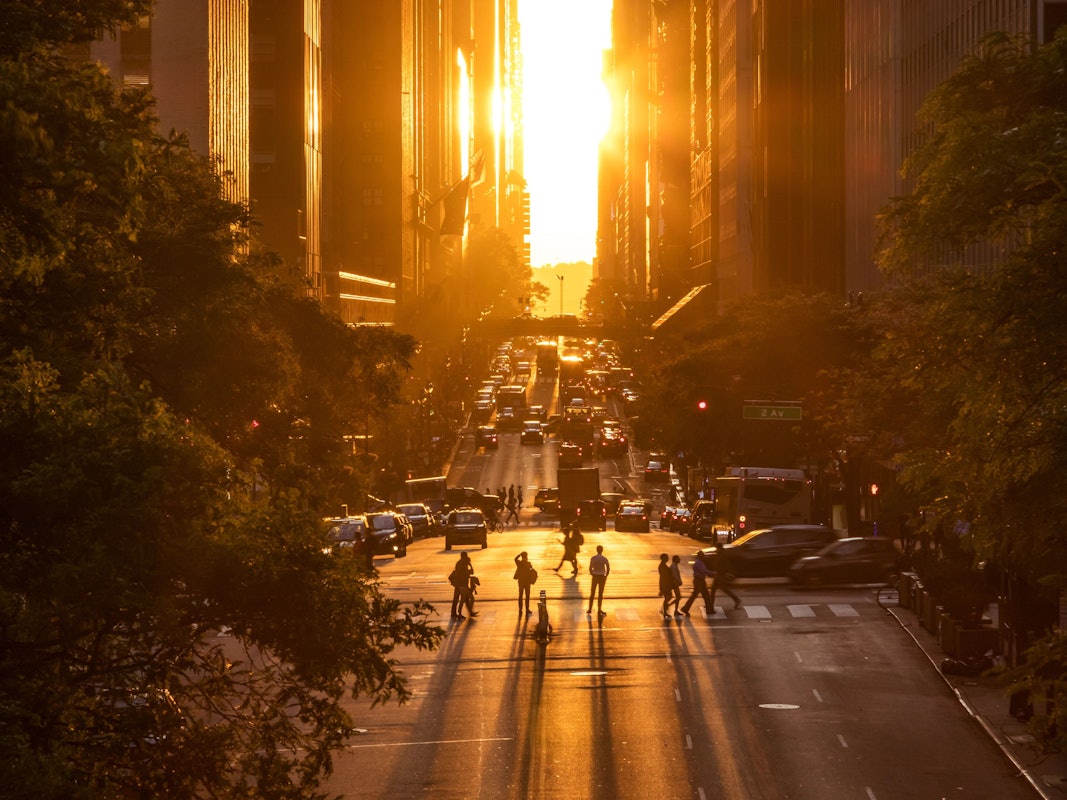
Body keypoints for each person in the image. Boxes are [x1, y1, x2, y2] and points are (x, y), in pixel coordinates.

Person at [709, 543, 741, 610]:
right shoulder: (720, 554)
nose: (716, 550)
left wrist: (724, 572)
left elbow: (726, 565)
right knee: (714, 589)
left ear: (719, 548)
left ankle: (736, 600)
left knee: (723, 589)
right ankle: (710, 604)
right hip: (718, 574)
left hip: (721, 575)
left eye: (717, 548)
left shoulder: (723, 555)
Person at [680, 550, 713, 616]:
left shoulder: (699, 562)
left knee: (703, 596)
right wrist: (713, 573)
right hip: (699, 581)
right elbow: (704, 571)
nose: (703, 556)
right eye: (702, 555)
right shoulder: (699, 563)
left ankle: (686, 608)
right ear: (700, 556)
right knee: (704, 596)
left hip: (700, 580)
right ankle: (685, 608)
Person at [449, 551, 478, 619]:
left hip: (462, 584)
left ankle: (467, 612)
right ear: (463, 556)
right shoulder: (461, 563)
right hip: (460, 584)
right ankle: (456, 613)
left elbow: (471, 572)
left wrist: (469, 565)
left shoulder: (464, 563)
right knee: (460, 599)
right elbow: (459, 573)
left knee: (464, 599)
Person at [587, 545, 610, 616]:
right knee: (600, 593)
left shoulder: (593, 558)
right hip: (602, 576)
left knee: (592, 593)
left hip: (595, 576)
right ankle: (599, 609)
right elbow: (608, 568)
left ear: (596, 550)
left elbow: (590, 567)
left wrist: (592, 573)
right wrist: (606, 575)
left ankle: (590, 609)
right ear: (602, 550)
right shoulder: (604, 558)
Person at [513, 551, 537, 615]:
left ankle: (520, 609)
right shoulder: (528, 563)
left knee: (520, 595)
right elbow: (531, 569)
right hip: (527, 582)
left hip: (521, 582)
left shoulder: (519, 563)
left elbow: (515, 559)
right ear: (526, 557)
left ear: (522, 557)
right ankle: (527, 609)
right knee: (527, 596)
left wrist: (519, 554)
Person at [658, 553, 675, 618]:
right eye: (666, 557)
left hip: (665, 584)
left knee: (668, 597)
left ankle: (664, 609)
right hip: (665, 584)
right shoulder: (662, 566)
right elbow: (664, 577)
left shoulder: (663, 565)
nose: (668, 558)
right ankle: (664, 610)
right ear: (664, 558)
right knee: (668, 597)